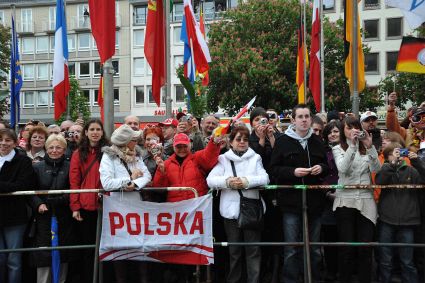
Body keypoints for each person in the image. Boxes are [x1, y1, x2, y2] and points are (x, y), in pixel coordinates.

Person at [270, 104, 328, 283]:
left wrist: (322, 168)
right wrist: (292, 172)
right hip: (291, 204)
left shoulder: (318, 141)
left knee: (315, 248)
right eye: (300, 117)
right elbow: (273, 169)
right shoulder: (282, 141)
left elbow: (327, 165)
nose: (304, 120)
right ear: (293, 120)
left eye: (307, 116)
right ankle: (291, 279)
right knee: (292, 248)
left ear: (311, 119)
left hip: (315, 203)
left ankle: (315, 279)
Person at [207, 126, 269, 283]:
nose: (242, 142)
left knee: (253, 250)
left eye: (245, 139)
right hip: (230, 212)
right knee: (234, 251)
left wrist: (246, 181)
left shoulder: (255, 158)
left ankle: (253, 280)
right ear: (231, 141)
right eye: (238, 139)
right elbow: (210, 180)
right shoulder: (223, 159)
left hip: (251, 210)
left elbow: (265, 178)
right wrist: (227, 182)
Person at [100, 124, 152, 283]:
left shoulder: (136, 156)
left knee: (140, 247)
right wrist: (129, 179)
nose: (136, 142)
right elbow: (107, 183)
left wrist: (135, 184)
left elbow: (147, 175)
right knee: (120, 248)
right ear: (125, 141)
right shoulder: (109, 157)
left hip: (136, 206)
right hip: (117, 209)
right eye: (133, 139)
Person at [332, 116, 381, 283]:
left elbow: (376, 170)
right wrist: (352, 146)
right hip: (345, 200)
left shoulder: (366, 148)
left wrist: (370, 147)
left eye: (355, 127)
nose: (353, 130)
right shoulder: (338, 148)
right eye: (348, 128)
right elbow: (343, 169)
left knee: (365, 248)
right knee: (346, 248)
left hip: (366, 201)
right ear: (343, 131)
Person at [31, 134, 77, 283]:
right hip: (44, 216)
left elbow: (74, 189)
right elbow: (31, 191)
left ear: (64, 149)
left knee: (63, 251)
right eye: (51, 147)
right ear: (46, 148)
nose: (54, 150)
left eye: (58, 147)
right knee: (43, 252)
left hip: (64, 214)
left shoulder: (71, 166)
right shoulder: (37, 167)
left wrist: (60, 201)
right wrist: (39, 204)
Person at [375, 143, 423, 283]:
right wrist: (391, 164)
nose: (398, 155)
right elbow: (379, 181)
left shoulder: (411, 170)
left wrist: (417, 161)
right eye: (394, 153)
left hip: (408, 221)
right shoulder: (384, 169)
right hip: (386, 220)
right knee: (385, 261)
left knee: (407, 261)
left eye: (400, 152)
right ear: (387, 156)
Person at [69, 119, 109, 283]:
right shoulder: (78, 154)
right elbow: (74, 181)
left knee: (105, 247)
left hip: (106, 204)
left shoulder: (109, 152)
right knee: (88, 248)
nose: (95, 132)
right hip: (85, 206)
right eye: (91, 129)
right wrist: (75, 206)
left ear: (102, 132)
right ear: (86, 132)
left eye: (98, 129)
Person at [0, 128, 37, 283]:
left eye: (8, 140)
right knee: (0, 258)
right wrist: (8, 186)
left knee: (13, 259)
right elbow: (13, 185)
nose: (3, 143)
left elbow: (23, 184)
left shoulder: (23, 161)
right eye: (1, 140)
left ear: (15, 143)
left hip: (15, 216)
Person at [320, 120, 342, 281]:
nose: (333, 134)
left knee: (345, 236)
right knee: (329, 237)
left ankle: (345, 271)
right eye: (330, 132)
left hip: (346, 198)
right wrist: (327, 193)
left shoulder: (349, 149)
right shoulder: (322, 151)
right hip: (327, 200)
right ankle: (331, 270)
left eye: (336, 131)